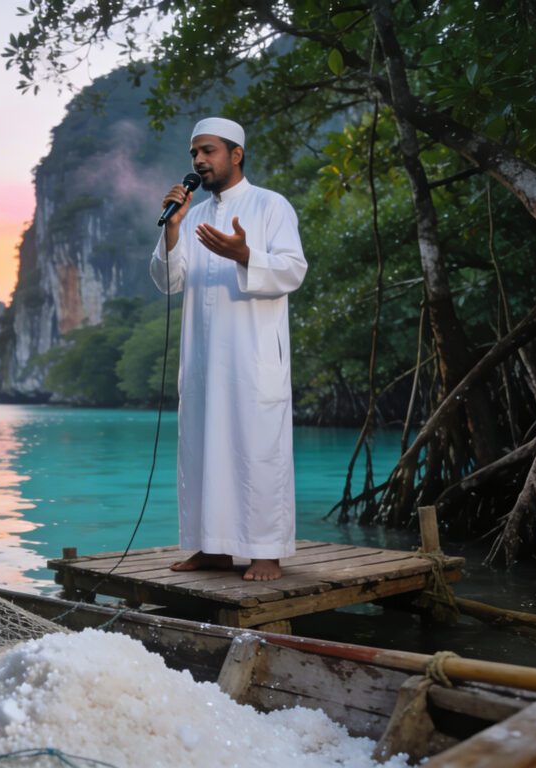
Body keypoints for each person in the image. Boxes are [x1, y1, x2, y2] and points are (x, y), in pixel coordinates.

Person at [150, 117, 307, 582]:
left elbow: (293, 270)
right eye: (194, 153)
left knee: (258, 450)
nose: (198, 160)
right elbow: (168, 281)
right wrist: (172, 229)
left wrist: (245, 255)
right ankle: (213, 548)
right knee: (202, 450)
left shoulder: (270, 205)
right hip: (202, 360)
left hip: (253, 359)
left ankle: (266, 552)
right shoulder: (191, 215)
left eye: (208, 151)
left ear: (236, 154)